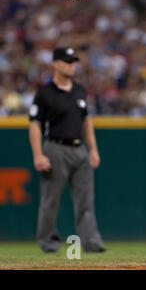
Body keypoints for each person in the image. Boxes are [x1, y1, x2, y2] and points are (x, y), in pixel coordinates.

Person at [28, 47, 105, 253]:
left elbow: (86, 121)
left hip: (79, 148)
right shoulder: (45, 93)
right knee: (50, 199)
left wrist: (93, 149)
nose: (72, 65)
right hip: (55, 148)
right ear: (55, 64)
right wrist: (38, 154)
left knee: (86, 200)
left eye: (73, 61)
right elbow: (35, 124)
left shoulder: (79, 90)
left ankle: (91, 242)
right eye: (67, 61)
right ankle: (48, 242)